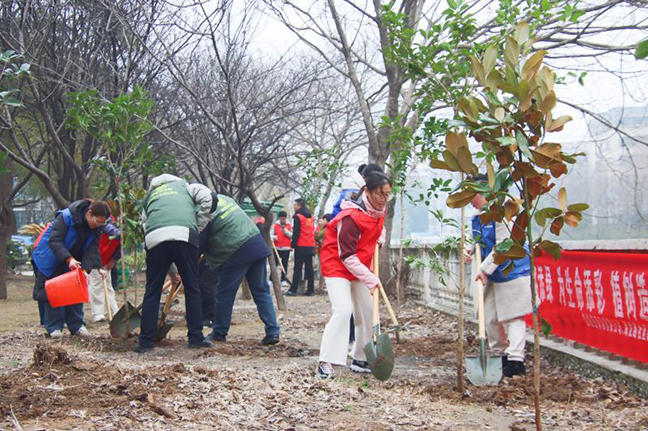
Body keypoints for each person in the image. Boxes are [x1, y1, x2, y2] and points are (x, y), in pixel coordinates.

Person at [317, 172, 391, 379]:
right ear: (366, 191)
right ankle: (326, 361)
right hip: (337, 264)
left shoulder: (379, 210)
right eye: (379, 194)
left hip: (360, 264)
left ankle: (361, 357)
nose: (383, 199)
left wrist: (380, 236)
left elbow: (378, 227)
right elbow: (347, 256)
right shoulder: (350, 216)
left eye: (387, 194)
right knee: (343, 310)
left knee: (369, 311)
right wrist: (370, 278)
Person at [134, 174, 216, 353]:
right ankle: (196, 338)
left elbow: (145, 223)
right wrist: (198, 225)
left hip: (155, 239)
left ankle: (145, 342)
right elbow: (209, 197)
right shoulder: (186, 186)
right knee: (192, 288)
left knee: (152, 291)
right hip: (184, 236)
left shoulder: (151, 196)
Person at [464, 173, 532, 378]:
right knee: (489, 316)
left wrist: (484, 269)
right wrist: (469, 249)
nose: (469, 200)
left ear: (483, 192)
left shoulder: (503, 214)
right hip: (491, 272)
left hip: (511, 269)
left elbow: (503, 246)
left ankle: (516, 360)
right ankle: (500, 354)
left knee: (513, 316)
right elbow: (476, 239)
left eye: (471, 195)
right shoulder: (477, 217)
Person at [203, 194, 280, 345]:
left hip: (235, 251)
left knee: (224, 295)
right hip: (257, 245)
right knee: (262, 292)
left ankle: (219, 332)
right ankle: (273, 331)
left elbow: (202, 237)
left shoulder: (202, 209)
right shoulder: (224, 198)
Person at [31, 199, 109, 338]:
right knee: (55, 291)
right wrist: (68, 259)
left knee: (77, 288)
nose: (98, 225)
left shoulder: (97, 228)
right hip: (53, 256)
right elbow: (55, 241)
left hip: (75, 260)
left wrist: (86, 270)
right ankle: (54, 327)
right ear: (89, 213)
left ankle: (77, 325)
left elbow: (92, 249)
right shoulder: (66, 217)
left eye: (102, 223)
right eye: (97, 221)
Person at [88, 215, 121, 323]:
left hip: (107, 259)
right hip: (95, 259)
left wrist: (113, 259)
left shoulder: (117, 228)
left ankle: (113, 310)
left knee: (108, 283)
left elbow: (120, 247)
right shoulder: (101, 225)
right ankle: (98, 313)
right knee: (96, 284)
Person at [286, 198, 316, 296]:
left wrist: (292, 244)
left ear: (299, 206)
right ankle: (311, 290)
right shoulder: (311, 217)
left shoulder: (298, 217)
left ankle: (293, 289)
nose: (294, 206)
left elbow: (296, 232)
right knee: (309, 268)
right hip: (310, 245)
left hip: (301, 246)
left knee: (297, 268)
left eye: (295, 205)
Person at [271, 211, 292, 286]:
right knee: (274, 264)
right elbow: (270, 235)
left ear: (286, 218)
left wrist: (285, 231)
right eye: (281, 219)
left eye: (283, 219)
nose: (282, 220)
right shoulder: (275, 225)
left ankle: (283, 279)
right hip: (276, 248)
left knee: (284, 264)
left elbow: (292, 236)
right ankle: (271, 279)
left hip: (286, 248)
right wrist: (274, 237)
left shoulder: (289, 225)